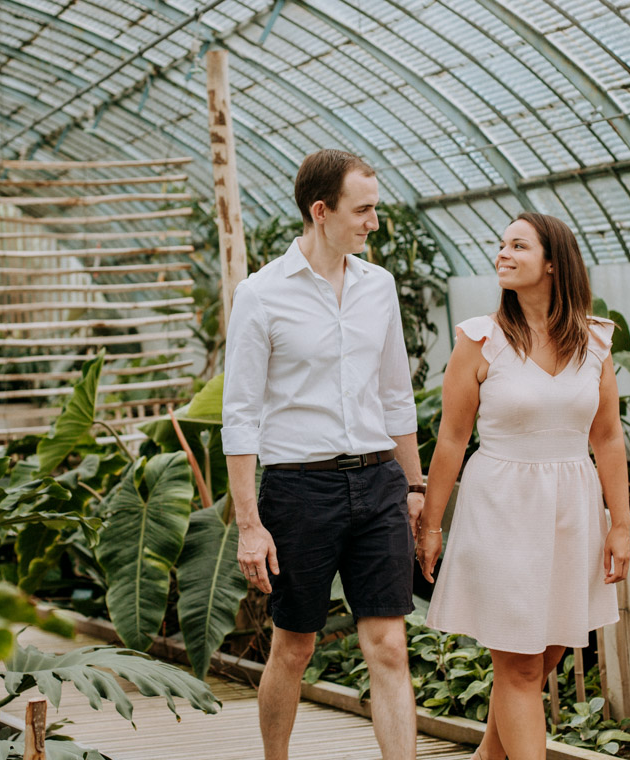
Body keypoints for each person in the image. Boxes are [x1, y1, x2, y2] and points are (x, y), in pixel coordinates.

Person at [222, 149, 426, 760]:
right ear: (321, 211)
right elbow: (240, 416)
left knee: (389, 644)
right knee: (295, 646)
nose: (373, 222)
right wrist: (250, 526)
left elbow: (396, 397)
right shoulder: (261, 295)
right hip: (299, 491)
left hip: (378, 483)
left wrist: (414, 490)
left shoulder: (379, 287)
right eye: (363, 210)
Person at [415, 211, 630, 760]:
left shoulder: (595, 342)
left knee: (549, 651)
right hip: (500, 508)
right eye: (501, 244)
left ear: (554, 262)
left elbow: (607, 440)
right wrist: (431, 525)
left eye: (518, 245)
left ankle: (488, 756)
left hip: (572, 510)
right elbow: (450, 440)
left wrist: (621, 526)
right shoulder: (479, 341)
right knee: (519, 664)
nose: (502, 254)